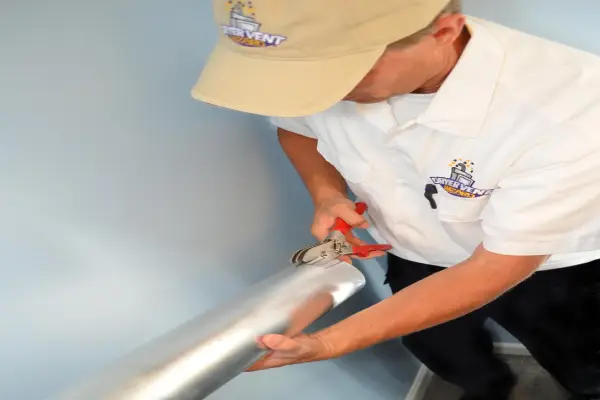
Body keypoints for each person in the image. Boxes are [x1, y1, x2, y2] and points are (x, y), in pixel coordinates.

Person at [193, 1, 600, 399]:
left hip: (549, 267)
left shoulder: (573, 107)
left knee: (581, 364)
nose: (322, 97)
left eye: (337, 77)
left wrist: (330, 343)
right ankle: (487, 388)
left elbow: (495, 266)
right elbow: (297, 128)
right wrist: (327, 194)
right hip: (413, 252)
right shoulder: (311, 68)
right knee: (446, 353)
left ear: (444, 32)